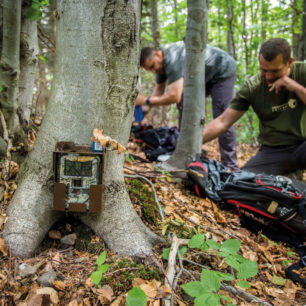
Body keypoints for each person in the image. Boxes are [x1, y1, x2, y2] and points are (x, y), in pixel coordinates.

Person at [202, 38, 306, 177]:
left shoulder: (302, 73)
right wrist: (190, 143)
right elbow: (222, 122)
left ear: (289, 63)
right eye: (264, 70)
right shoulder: (253, 87)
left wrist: (295, 87)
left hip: (302, 145)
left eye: (275, 71)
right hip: (273, 151)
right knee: (243, 182)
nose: (268, 77)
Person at [136, 41, 239, 171]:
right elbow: (159, 90)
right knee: (184, 105)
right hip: (201, 76)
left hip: (221, 70)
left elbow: (174, 96)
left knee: (223, 115)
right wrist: (145, 109)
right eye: (150, 69)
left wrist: (145, 101)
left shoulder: (172, 58)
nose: (153, 70)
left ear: (157, 54)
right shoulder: (160, 65)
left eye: (153, 66)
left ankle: (231, 165)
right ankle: (187, 154)